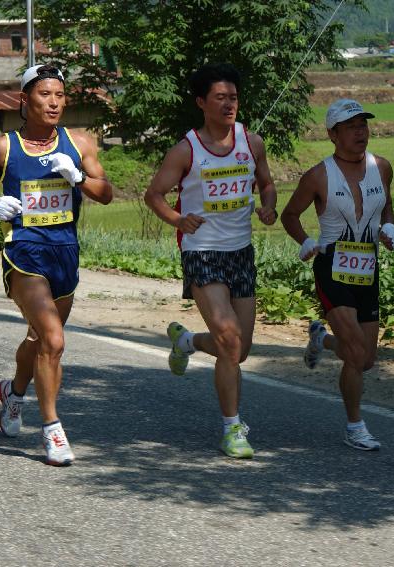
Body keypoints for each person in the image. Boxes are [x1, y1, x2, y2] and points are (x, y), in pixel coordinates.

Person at [0, 64, 113, 466]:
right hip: (24, 252)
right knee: (54, 340)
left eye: (60, 95)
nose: (54, 102)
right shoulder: (3, 147)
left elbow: (107, 193)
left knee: (40, 339)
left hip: (64, 252)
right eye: (45, 94)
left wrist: (77, 177)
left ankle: (13, 393)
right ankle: (53, 430)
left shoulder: (79, 143)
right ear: (25, 101)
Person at [144, 63, 277, 459]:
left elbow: (267, 184)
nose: (229, 104)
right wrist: (178, 219)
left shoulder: (252, 142)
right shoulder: (186, 150)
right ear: (202, 102)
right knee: (230, 339)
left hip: (241, 251)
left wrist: (268, 208)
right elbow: (154, 195)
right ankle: (232, 428)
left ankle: (185, 341)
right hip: (201, 251)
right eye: (220, 98)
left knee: (240, 349)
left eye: (233, 97)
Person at [280, 99, 394, 451]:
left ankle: (322, 340)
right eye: (351, 126)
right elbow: (290, 215)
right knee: (357, 351)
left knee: (366, 359)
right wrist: (305, 241)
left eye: (363, 124)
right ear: (333, 134)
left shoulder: (383, 167)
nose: (360, 131)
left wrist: (389, 226)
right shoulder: (318, 175)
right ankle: (355, 426)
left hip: (368, 270)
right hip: (332, 267)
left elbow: (387, 205)